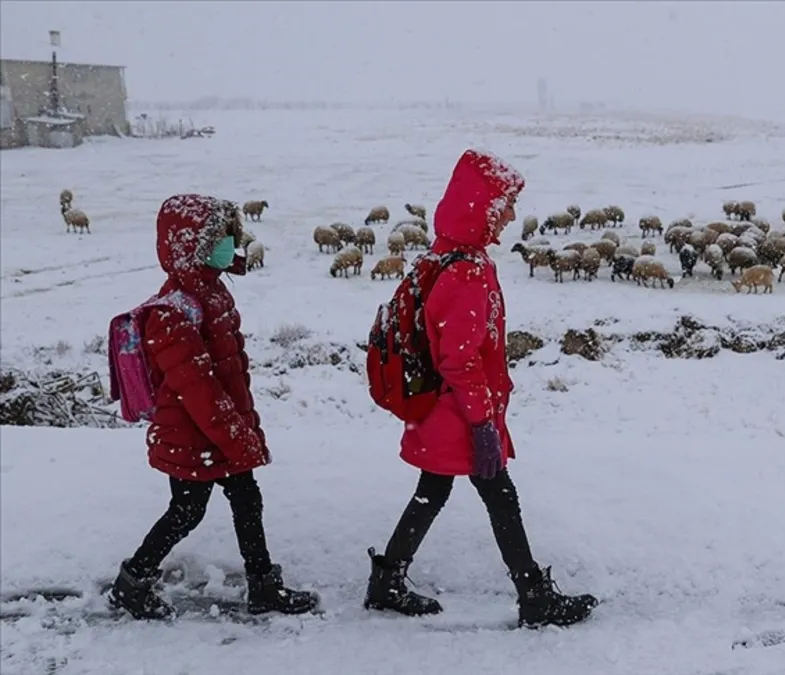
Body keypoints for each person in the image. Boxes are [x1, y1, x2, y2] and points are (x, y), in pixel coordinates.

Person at [364, 149, 598, 628]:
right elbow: (458, 359)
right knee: (499, 495)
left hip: (438, 407)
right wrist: (481, 422)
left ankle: (388, 580)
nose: (511, 216)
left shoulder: (443, 255)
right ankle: (533, 596)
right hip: (458, 412)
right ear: (483, 207)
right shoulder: (466, 271)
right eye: (505, 205)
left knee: (435, 491)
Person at [108, 194, 318, 620]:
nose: (229, 244)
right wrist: (237, 436)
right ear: (193, 245)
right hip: (191, 434)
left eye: (229, 235)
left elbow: (226, 373)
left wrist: (238, 429)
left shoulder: (211, 291)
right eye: (219, 237)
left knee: (246, 499)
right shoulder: (174, 311)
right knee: (187, 511)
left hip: (218, 429)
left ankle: (263, 584)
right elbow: (198, 389)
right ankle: (132, 583)